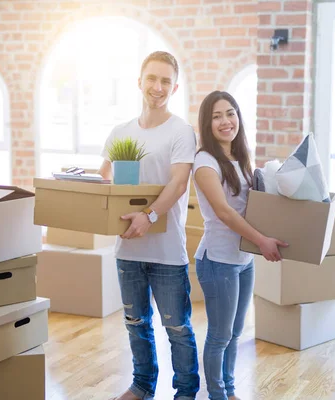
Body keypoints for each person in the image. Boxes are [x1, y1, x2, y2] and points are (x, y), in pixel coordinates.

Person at [98, 51, 200, 400]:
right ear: (139, 81)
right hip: (127, 248)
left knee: (177, 327)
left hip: (167, 250)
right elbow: (105, 178)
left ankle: (186, 391)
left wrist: (150, 216)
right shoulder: (119, 132)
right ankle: (142, 384)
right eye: (152, 79)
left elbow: (178, 183)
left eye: (165, 82)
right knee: (136, 324)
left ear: (174, 87)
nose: (157, 87)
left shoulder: (181, 131)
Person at [192, 90, 288, 400]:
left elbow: (253, 206)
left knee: (234, 334)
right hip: (218, 260)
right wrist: (262, 241)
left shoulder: (241, 158)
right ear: (207, 123)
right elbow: (224, 212)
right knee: (220, 336)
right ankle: (217, 395)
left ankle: (229, 392)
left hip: (243, 259)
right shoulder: (205, 161)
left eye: (230, 113)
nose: (225, 121)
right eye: (216, 116)